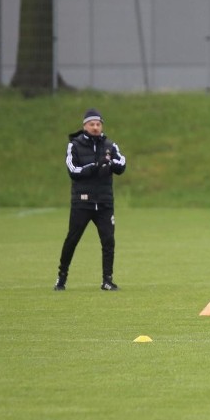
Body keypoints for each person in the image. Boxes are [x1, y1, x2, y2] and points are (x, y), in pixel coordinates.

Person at [54, 108, 127, 291]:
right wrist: (95, 166)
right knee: (72, 239)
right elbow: (73, 171)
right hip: (82, 201)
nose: (95, 127)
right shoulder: (74, 145)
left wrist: (109, 163)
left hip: (104, 202)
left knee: (108, 240)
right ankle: (61, 278)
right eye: (92, 124)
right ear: (85, 126)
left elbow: (122, 164)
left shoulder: (110, 145)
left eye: (98, 124)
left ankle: (107, 280)